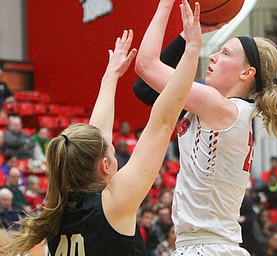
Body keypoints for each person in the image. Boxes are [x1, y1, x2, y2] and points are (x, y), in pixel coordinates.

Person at [6, 0, 202, 254]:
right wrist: (192, 48)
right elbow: (162, 122)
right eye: (109, 150)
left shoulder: (56, 212)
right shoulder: (113, 205)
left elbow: (99, 135)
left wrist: (110, 77)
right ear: (105, 165)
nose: (111, 147)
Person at [133, 0, 277, 254]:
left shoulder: (220, 109)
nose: (214, 56)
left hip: (206, 247)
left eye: (226, 53)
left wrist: (165, 5)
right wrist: (185, 37)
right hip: (207, 245)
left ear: (246, 73)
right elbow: (144, 88)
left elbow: (146, 65)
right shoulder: (217, 108)